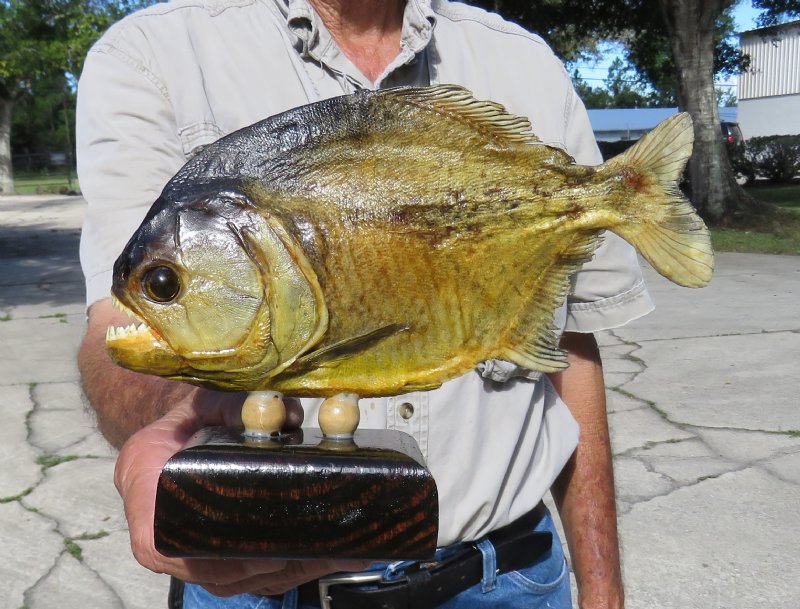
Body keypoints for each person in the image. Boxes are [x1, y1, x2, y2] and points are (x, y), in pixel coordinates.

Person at [76, 1, 653, 608]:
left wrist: (603, 591)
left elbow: (571, 346)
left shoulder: (524, 59)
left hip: (505, 577)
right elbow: (117, 327)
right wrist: (174, 413)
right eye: (164, 284)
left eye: (165, 282)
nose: (160, 293)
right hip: (260, 587)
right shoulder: (154, 52)